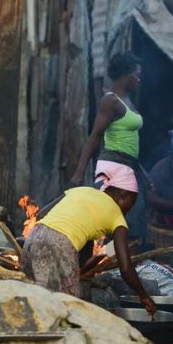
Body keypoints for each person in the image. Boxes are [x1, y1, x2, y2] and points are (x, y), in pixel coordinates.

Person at [21, 162, 157, 314]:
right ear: (123, 195)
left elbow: (40, 215)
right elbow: (126, 268)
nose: (130, 209)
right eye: (131, 203)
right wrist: (144, 296)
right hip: (59, 246)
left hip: (32, 240)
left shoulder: (82, 190)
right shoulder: (117, 217)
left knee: (32, 301)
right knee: (66, 310)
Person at [70, 52, 149, 242]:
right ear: (125, 75)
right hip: (113, 168)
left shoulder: (128, 101)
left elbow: (130, 141)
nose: (139, 79)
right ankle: (105, 266)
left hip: (130, 167)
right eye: (136, 75)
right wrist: (79, 172)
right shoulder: (110, 101)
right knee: (108, 223)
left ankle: (123, 267)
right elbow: (95, 136)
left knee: (132, 224)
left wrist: (143, 173)